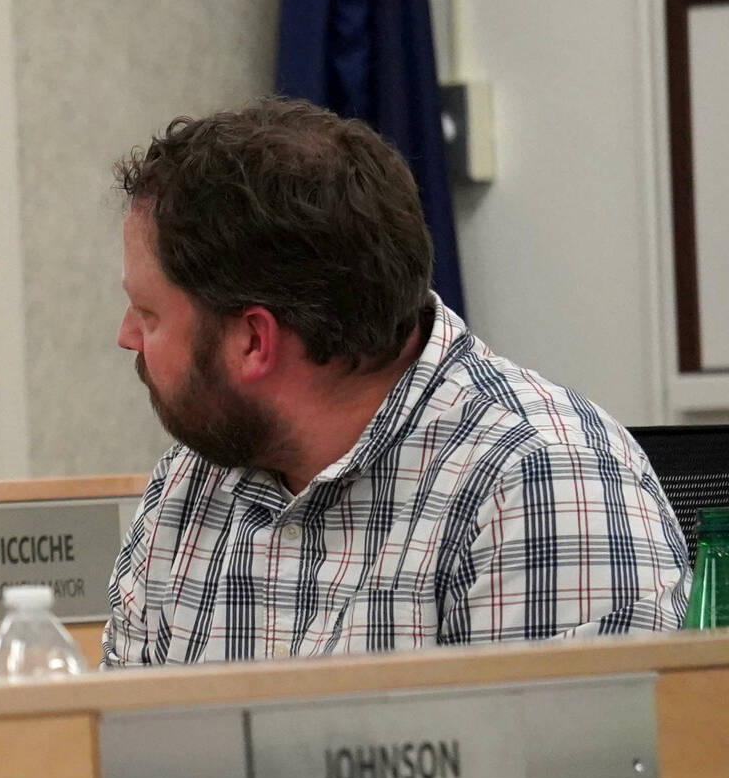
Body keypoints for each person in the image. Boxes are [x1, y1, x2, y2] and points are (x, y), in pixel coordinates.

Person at [104, 98, 686, 667]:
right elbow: (116, 754)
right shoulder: (189, 485)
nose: (128, 336)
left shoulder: (542, 486)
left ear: (253, 341)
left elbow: (555, 764)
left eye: (149, 314)